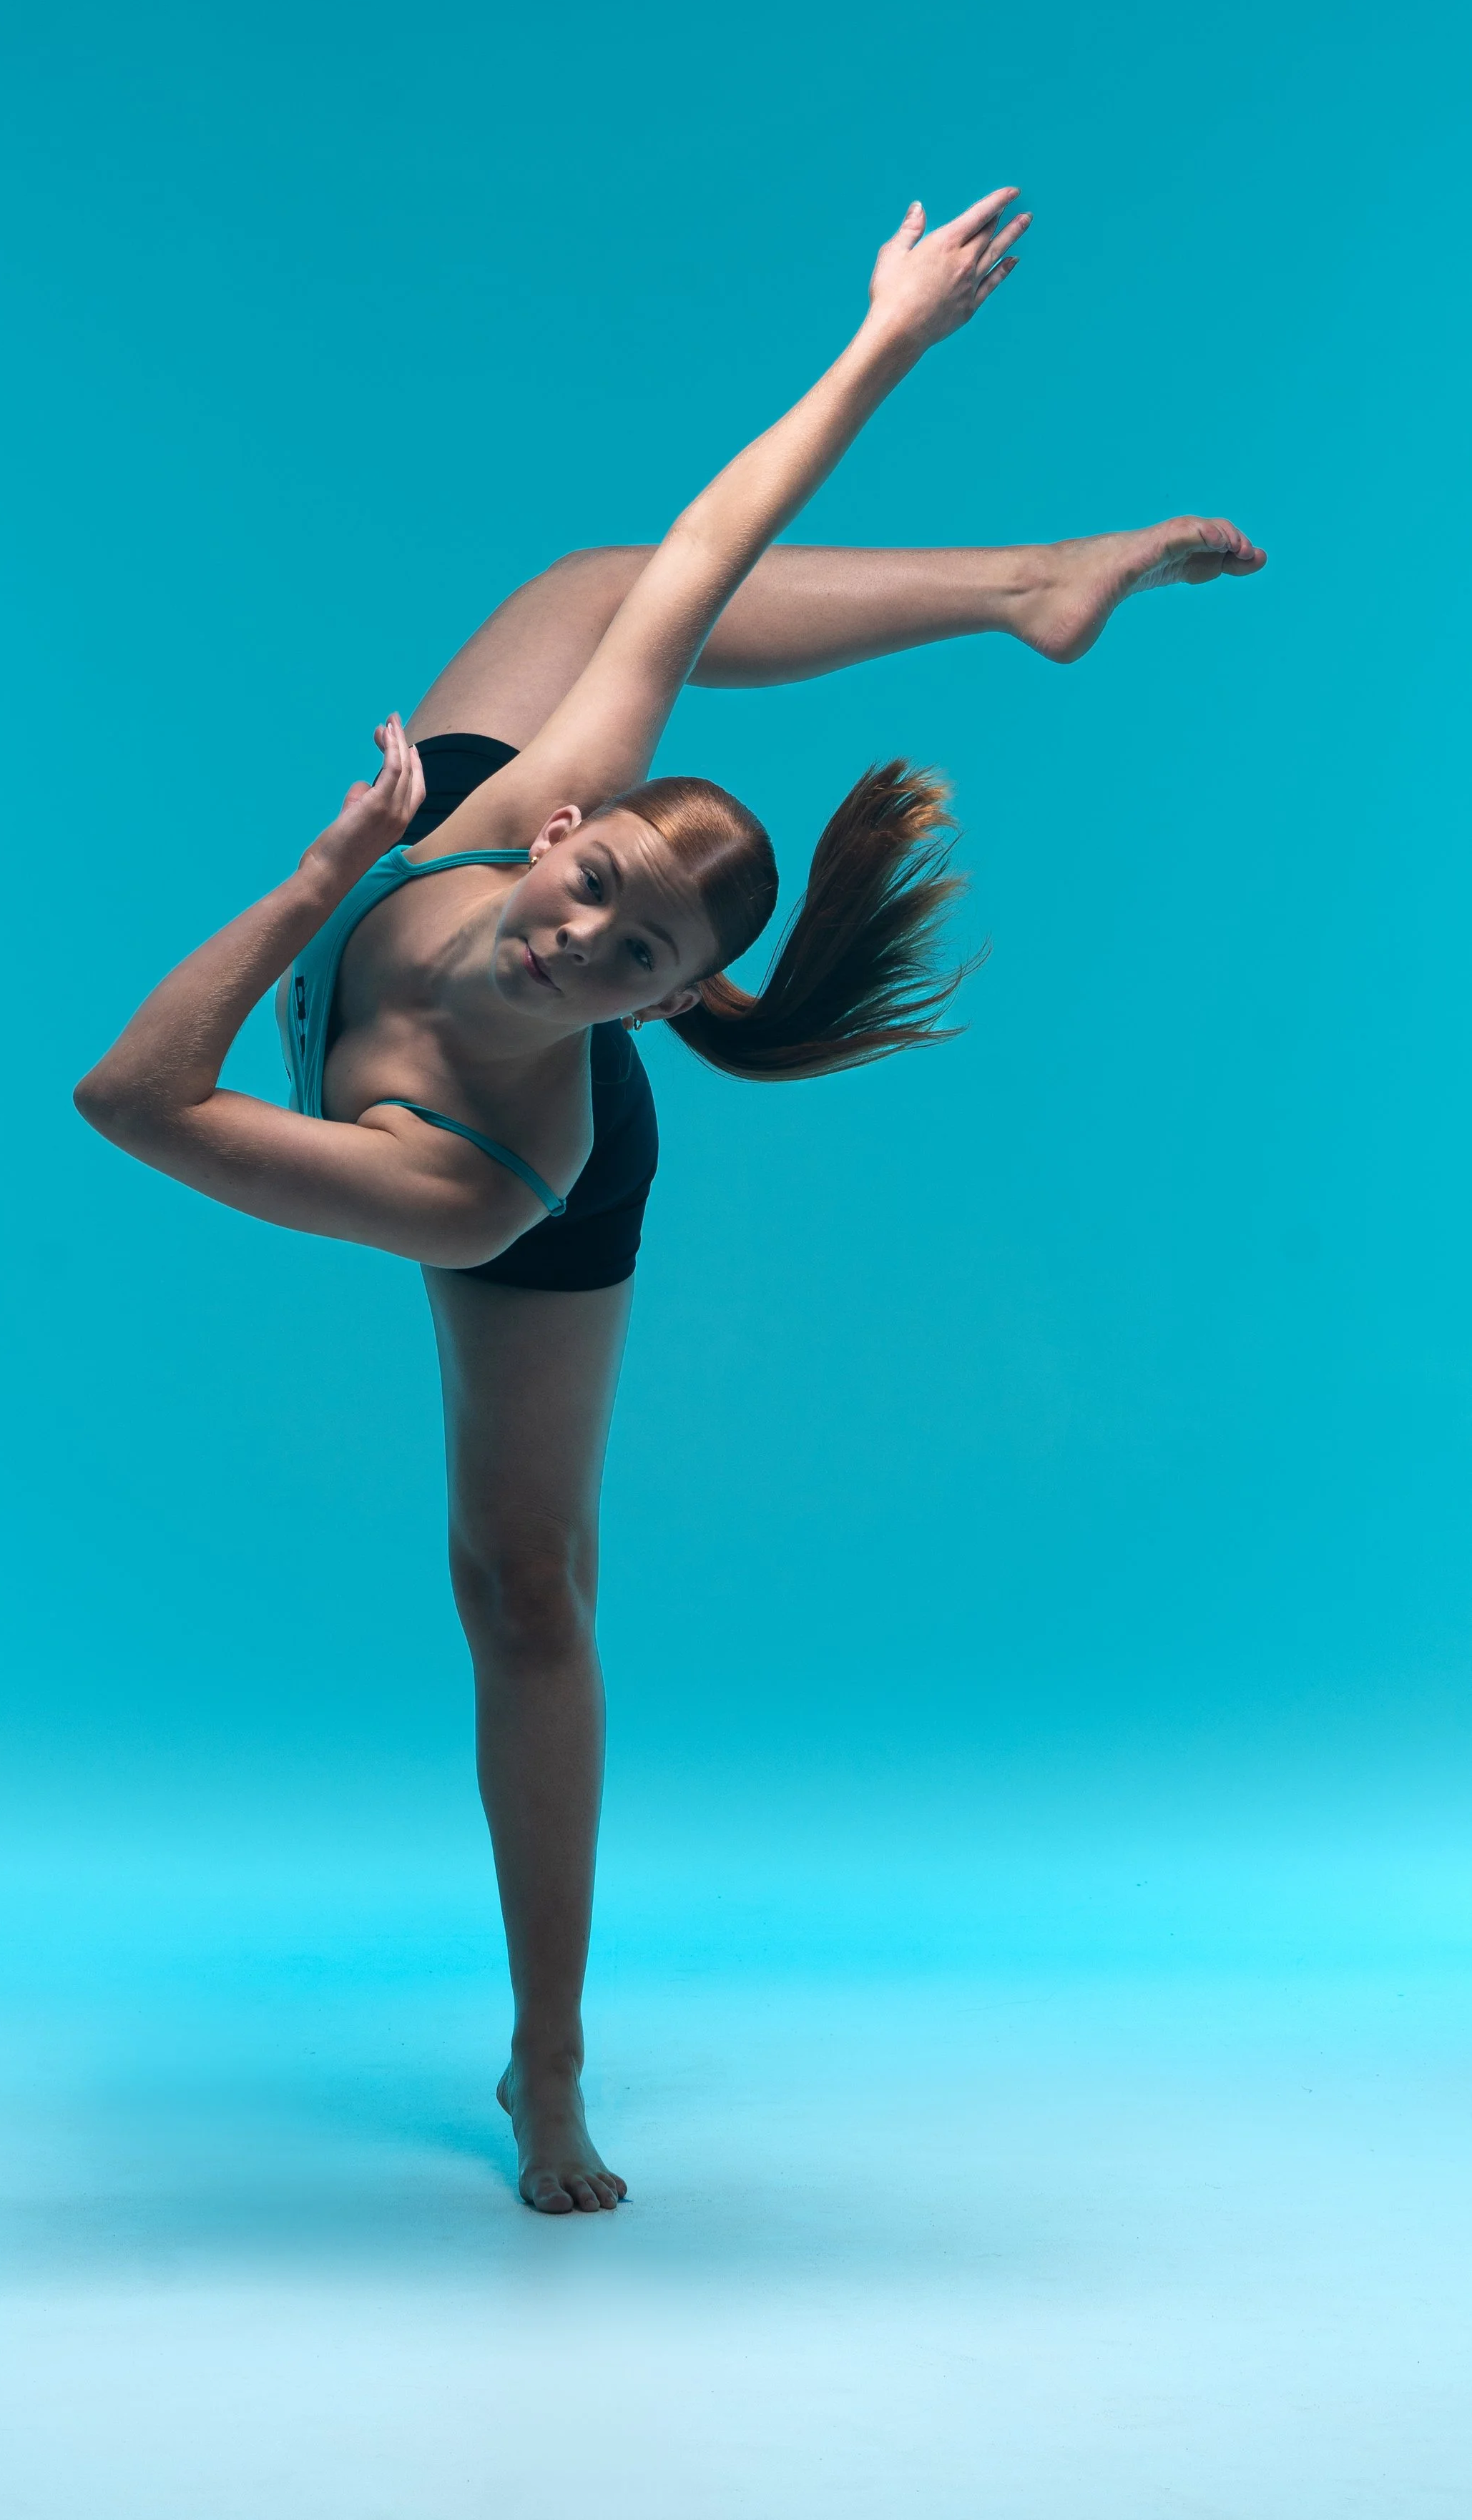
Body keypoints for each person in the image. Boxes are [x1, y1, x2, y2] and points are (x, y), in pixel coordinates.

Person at [74, 191, 1263, 2214]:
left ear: (666, 1005)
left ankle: (547, 2062)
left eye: (630, 958)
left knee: (520, 1584)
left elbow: (135, 1095)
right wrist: (890, 335)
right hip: (410, 850)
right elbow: (713, 546)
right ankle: (1027, 582)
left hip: (492, 1130)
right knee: (622, 580)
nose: (576, 937)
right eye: (591, 884)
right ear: (562, 823)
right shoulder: (511, 808)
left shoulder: (477, 1189)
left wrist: (309, 883)